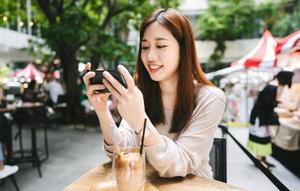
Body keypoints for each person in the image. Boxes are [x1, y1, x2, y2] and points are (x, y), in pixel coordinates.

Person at [83, 8, 226, 178]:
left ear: (183, 49)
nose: (150, 56)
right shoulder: (140, 93)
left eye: (161, 45)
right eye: (145, 47)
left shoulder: (211, 98)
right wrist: (102, 109)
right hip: (147, 187)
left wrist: (140, 122)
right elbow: (120, 152)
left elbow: (180, 163)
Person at [247, 71, 294, 169]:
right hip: (260, 117)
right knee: (261, 138)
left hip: (262, 116)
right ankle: (259, 160)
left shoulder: (273, 86)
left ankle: (263, 159)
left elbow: (269, 103)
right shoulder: (272, 87)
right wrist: (268, 123)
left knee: (265, 139)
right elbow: (267, 106)